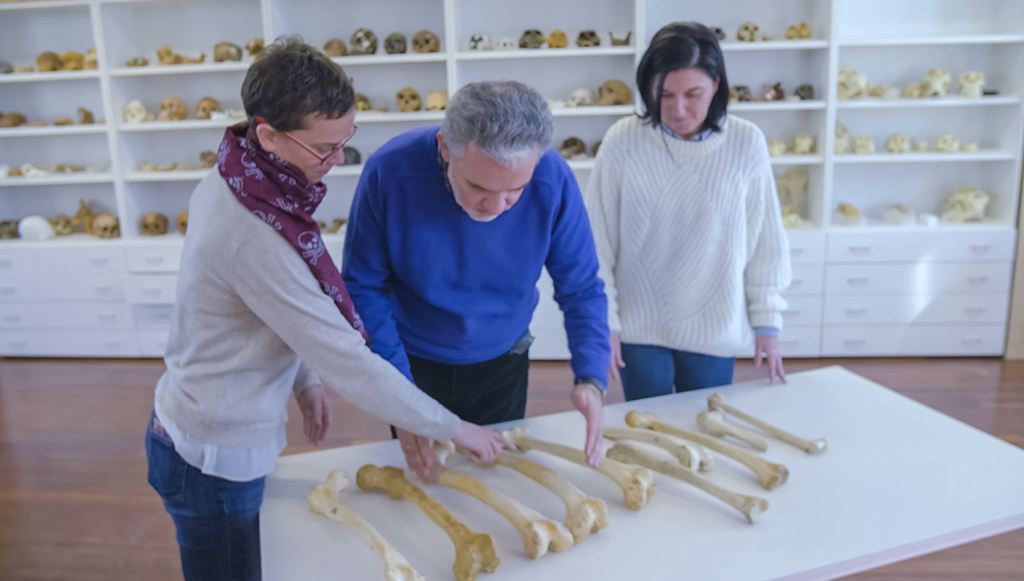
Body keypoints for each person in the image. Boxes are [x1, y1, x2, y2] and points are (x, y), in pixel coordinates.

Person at [145, 37, 510, 581]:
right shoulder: (251, 232)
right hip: (211, 457)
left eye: (347, 142)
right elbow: (346, 357)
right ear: (267, 133)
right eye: (325, 149)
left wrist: (302, 378)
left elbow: (273, 306)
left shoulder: (246, 174)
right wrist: (453, 427)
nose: (339, 162)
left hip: (209, 425)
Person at [342, 81, 610, 476]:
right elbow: (363, 285)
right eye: (479, 187)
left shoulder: (554, 178)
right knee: (425, 479)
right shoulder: (390, 171)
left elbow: (581, 285)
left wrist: (591, 375)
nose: (497, 207)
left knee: (494, 475)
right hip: (412, 360)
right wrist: (399, 396)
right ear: (445, 147)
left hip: (503, 358)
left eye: (515, 190)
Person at [586, 22, 792, 402]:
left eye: (693, 93)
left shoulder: (747, 142)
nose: (678, 109)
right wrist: (605, 325)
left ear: (716, 84)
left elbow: (766, 241)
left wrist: (768, 322)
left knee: (706, 434)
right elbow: (597, 245)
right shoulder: (622, 141)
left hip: (715, 328)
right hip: (638, 329)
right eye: (664, 94)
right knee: (649, 435)